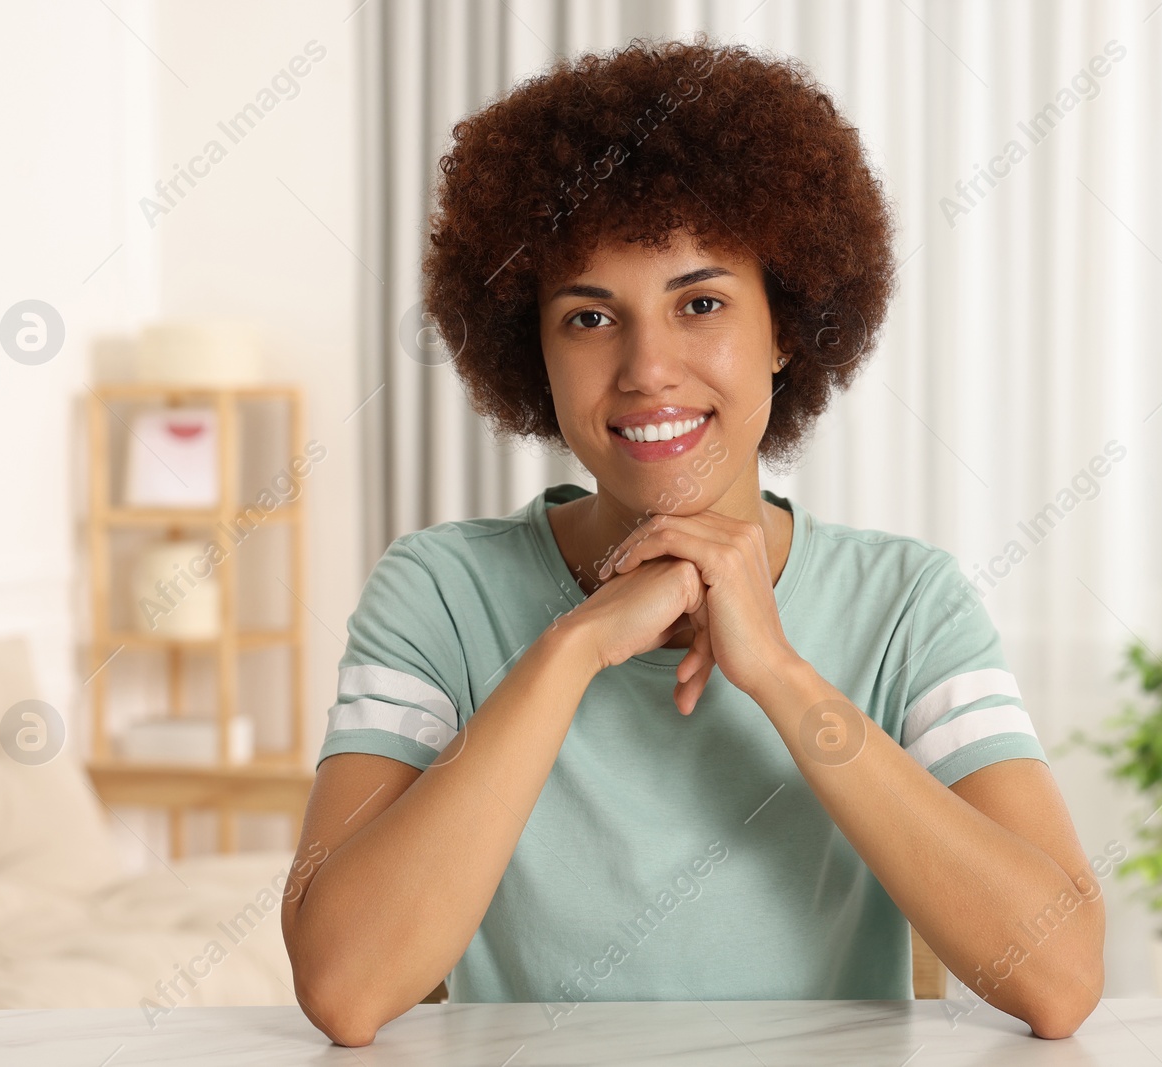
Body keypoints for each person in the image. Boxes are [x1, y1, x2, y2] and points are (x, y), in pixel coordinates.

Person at [281, 33, 1103, 1048]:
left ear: (787, 326)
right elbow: (345, 985)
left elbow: (1057, 978)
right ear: (530, 349)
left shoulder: (906, 602)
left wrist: (780, 673)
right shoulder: (437, 591)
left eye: (701, 303)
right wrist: (575, 644)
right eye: (588, 317)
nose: (646, 368)